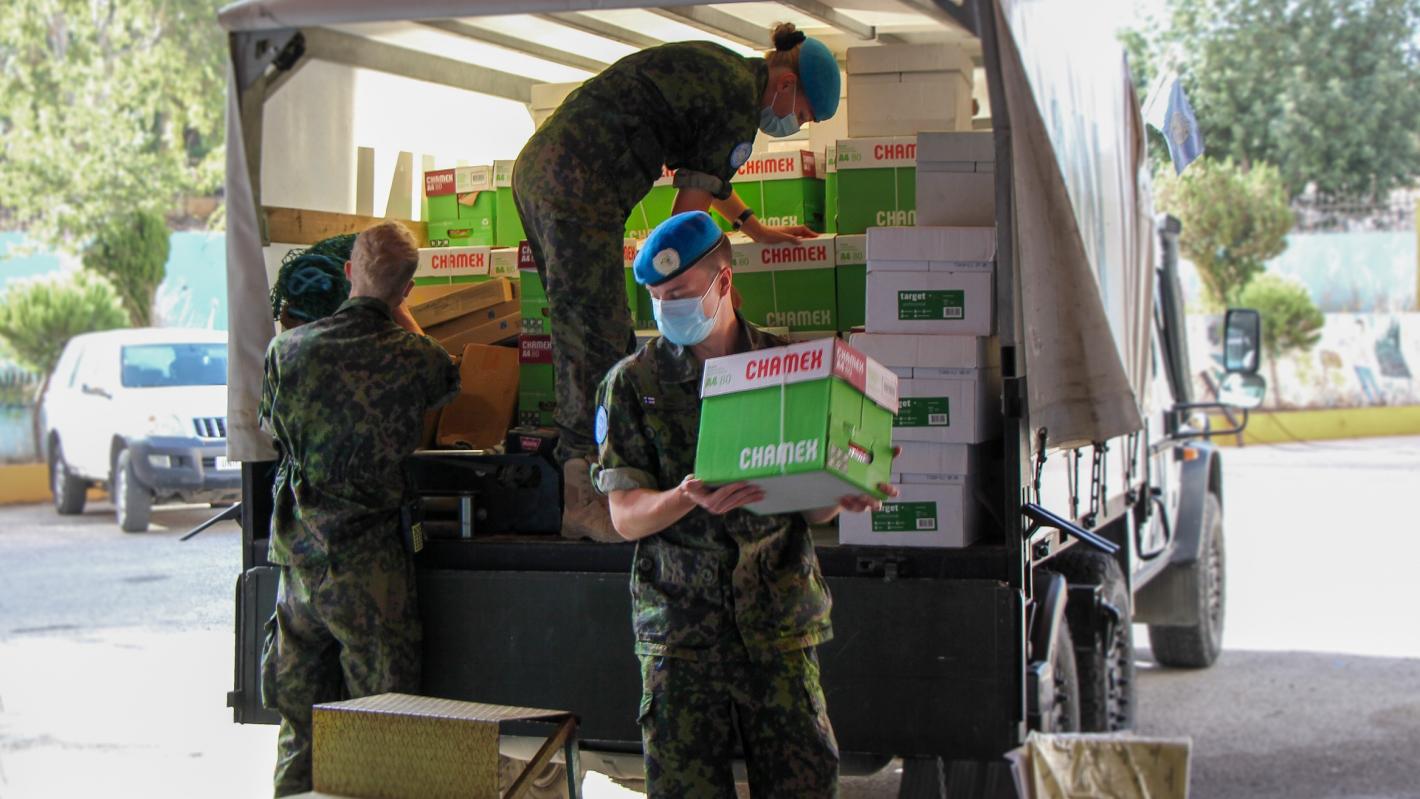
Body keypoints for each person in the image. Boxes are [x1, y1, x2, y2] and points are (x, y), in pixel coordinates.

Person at [592, 212, 894, 798]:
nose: (667, 309)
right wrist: (683, 498)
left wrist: (843, 489)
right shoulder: (632, 384)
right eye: (657, 297)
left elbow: (813, 512)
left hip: (778, 623)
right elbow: (625, 516)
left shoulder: (789, 368)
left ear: (724, 282)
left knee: (804, 785)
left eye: (679, 294)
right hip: (681, 633)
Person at [514, 22, 842, 541]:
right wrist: (703, 292)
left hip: (544, 170)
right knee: (596, 335)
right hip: (577, 183)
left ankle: (597, 486)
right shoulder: (737, 103)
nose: (793, 124)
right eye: (801, 114)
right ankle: (587, 498)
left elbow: (706, 177)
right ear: (786, 85)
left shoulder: (727, 71)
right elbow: (682, 234)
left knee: (578, 323)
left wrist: (753, 227)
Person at [258, 221, 461, 796]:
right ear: (407, 291)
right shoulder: (415, 357)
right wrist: (397, 310)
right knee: (381, 725)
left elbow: (271, 427)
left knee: (300, 729)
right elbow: (449, 380)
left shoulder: (287, 350)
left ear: (348, 271)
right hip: (371, 571)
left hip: (299, 567)